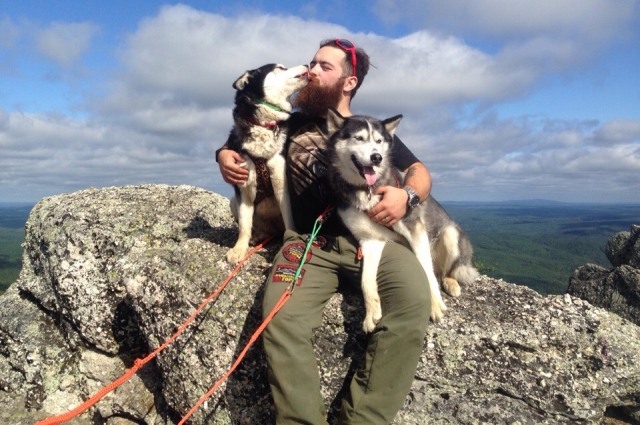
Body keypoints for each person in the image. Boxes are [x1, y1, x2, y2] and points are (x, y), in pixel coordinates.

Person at [217, 39, 432, 425]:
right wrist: (223, 155)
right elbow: (239, 137)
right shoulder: (288, 120)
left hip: (374, 236)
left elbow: (419, 171)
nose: (311, 70)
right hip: (309, 242)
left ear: (348, 83)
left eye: (324, 67)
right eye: (312, 63)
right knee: (280, 320)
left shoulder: (369, 130)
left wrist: (408, 196)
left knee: (413, 305)